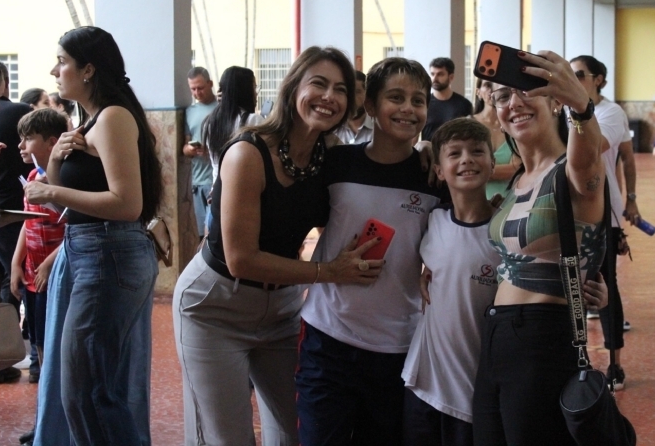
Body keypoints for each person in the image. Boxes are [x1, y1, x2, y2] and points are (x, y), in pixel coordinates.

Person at [173, 46, 383, 446]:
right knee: (227, 438)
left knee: (297, 431)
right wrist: (328, 272)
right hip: (214, 307)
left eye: (340, 89)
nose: (329, 96)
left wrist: (427, 154)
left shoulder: (330, 154)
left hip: (282, 308)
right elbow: (241, 260)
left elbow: (375, 183)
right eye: (319, 84)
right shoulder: (248, 152)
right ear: (293, 88)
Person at [295, 57, 445, 446]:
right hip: (327, 341)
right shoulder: (337, 164)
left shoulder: (432, 178)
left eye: (418, 101)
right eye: (396, 97)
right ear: (371, 106)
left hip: (396, 348)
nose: (408, 109)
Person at [25, 26, 163, 445]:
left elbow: (127, 204)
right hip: (91, 250)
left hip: (108, 253)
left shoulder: (114, 117)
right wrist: (56, 161)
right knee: (87, 389)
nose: (55, 71)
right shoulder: (93, 120)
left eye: (62, 62)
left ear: (88, 69)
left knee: (89, 393)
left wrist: (51, 191)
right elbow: (75, 206)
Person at [472, 50, 608, 445]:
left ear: (554, 101)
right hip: (496, 336)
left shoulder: (570, 171)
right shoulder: (515, 181)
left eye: (526, 90)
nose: (514, 103)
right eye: (502, 96)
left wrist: (581, 105)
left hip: (542, 338)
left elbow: (589, 156)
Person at [401, 117, 500, 446]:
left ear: (492, 163)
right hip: (423, 385)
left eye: (477, 151)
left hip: (474, 396)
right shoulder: (434, 219)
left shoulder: (505, 233)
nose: (466, 159)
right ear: (439, 171)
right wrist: (424, 145)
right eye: (455, 154)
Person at [570, 54, 639, 389]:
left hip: (602, 211)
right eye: (569, 74)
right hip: (567, 210)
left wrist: (631, 199)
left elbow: (597, 147)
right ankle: (577, 359)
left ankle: (615, 363)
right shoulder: (561, 112)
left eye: (580, 74)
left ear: (597, 79)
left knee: (605, 283)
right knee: (572, 287)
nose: (574, 79)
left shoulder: (609, 112)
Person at [10, 108, 68, 444]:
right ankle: (45, 422)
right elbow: (27, 220)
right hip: (33, 279)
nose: (21, 146)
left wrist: (48, 264)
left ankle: (56, 425)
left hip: (53, 277)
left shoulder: (64, 182)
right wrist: (17, 262)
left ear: (51, 142)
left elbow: (77, 227)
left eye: (28, 139)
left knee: (55, 353)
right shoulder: (33, 176)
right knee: (42, 350)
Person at [0, 58, 33, 385]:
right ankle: (6, 351)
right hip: (10, 209)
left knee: (5, 277)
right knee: (15, 275)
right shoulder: (18, 112)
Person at [202, 65, 260, 186]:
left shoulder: (210, 122)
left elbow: (215, 163)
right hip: (242, 188)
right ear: (244, 91)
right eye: (254, 88)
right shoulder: (253, 120)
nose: (256, 93)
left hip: (217, 188)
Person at [183, 67, 217, 240]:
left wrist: (211, 150)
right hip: (198, 182)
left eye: (200, 88)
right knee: (201, 234)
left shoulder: (221, 109)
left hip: (216, 180)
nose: (197, 93)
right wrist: (190, 149)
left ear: (210, 84)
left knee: (214, 231)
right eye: (193, 89)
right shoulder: (190, 112)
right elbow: (184, 146)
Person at [472, 78, 521, 198]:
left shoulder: (515, 123)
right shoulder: (466, 124)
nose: (492, 89)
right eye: (487, 85)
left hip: (509, 200)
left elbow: (516, 169)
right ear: (478, 92)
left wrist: (477, 171)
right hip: (474, 201)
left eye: (495, 85)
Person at [421, 57, 472, 141]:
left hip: (455, 148)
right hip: (428, 149)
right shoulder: (424, 102)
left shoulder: (464, 104)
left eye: (440, 74)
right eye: (432, 74)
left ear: (451, 77)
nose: (434, 79)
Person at [334, 70, 373, 144]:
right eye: (345, 91)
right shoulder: (333, 127)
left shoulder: (379, 128)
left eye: (357, 92)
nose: (351, 97)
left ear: (367, 95)